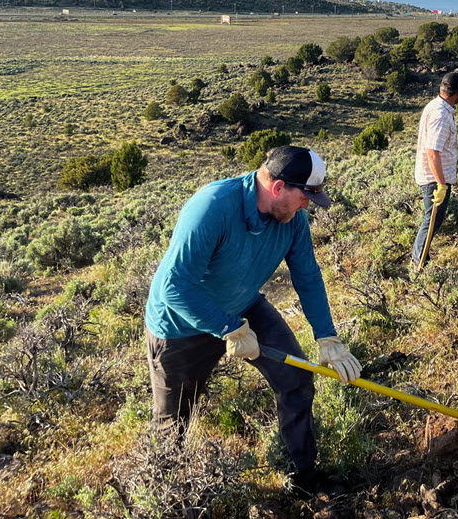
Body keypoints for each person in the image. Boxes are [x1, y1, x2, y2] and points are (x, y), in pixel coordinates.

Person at [144, 145, 362, 496]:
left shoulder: (291, 221)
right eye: (304, 196)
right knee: (174, 425)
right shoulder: (212, 208)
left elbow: (307, 276)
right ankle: (167, 499)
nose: (307, 205)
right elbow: (174, 287)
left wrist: (328, 337)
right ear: (278, 188)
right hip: (180, 326)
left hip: (243, 308)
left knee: (296, 379)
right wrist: (228, 327)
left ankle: (303, 478)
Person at [411, 71, 458, 268]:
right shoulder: (441, 115)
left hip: (433, 175)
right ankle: (419, 263)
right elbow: (432, 151)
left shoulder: (435, 106)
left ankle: (421, 258)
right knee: (432, 220)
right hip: (434, 178)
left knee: (433, 218)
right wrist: (441, 184)